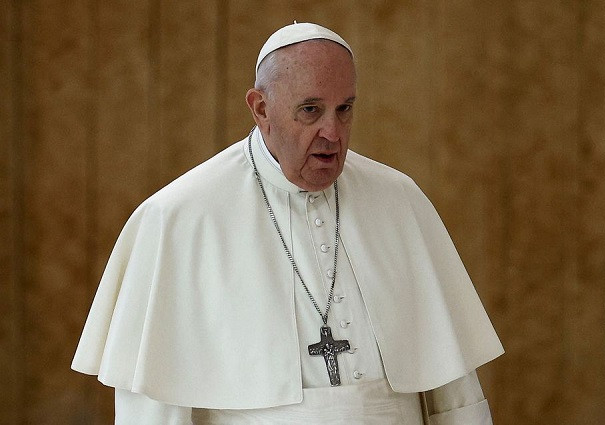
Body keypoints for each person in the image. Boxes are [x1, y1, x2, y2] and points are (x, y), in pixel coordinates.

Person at [72, 22, 503, 424]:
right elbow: (152, 402)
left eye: (344, 109)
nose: (333, 133)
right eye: (311, 111)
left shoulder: (398, 200)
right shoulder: (180, 218)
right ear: (261, 108)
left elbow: (453, 388)